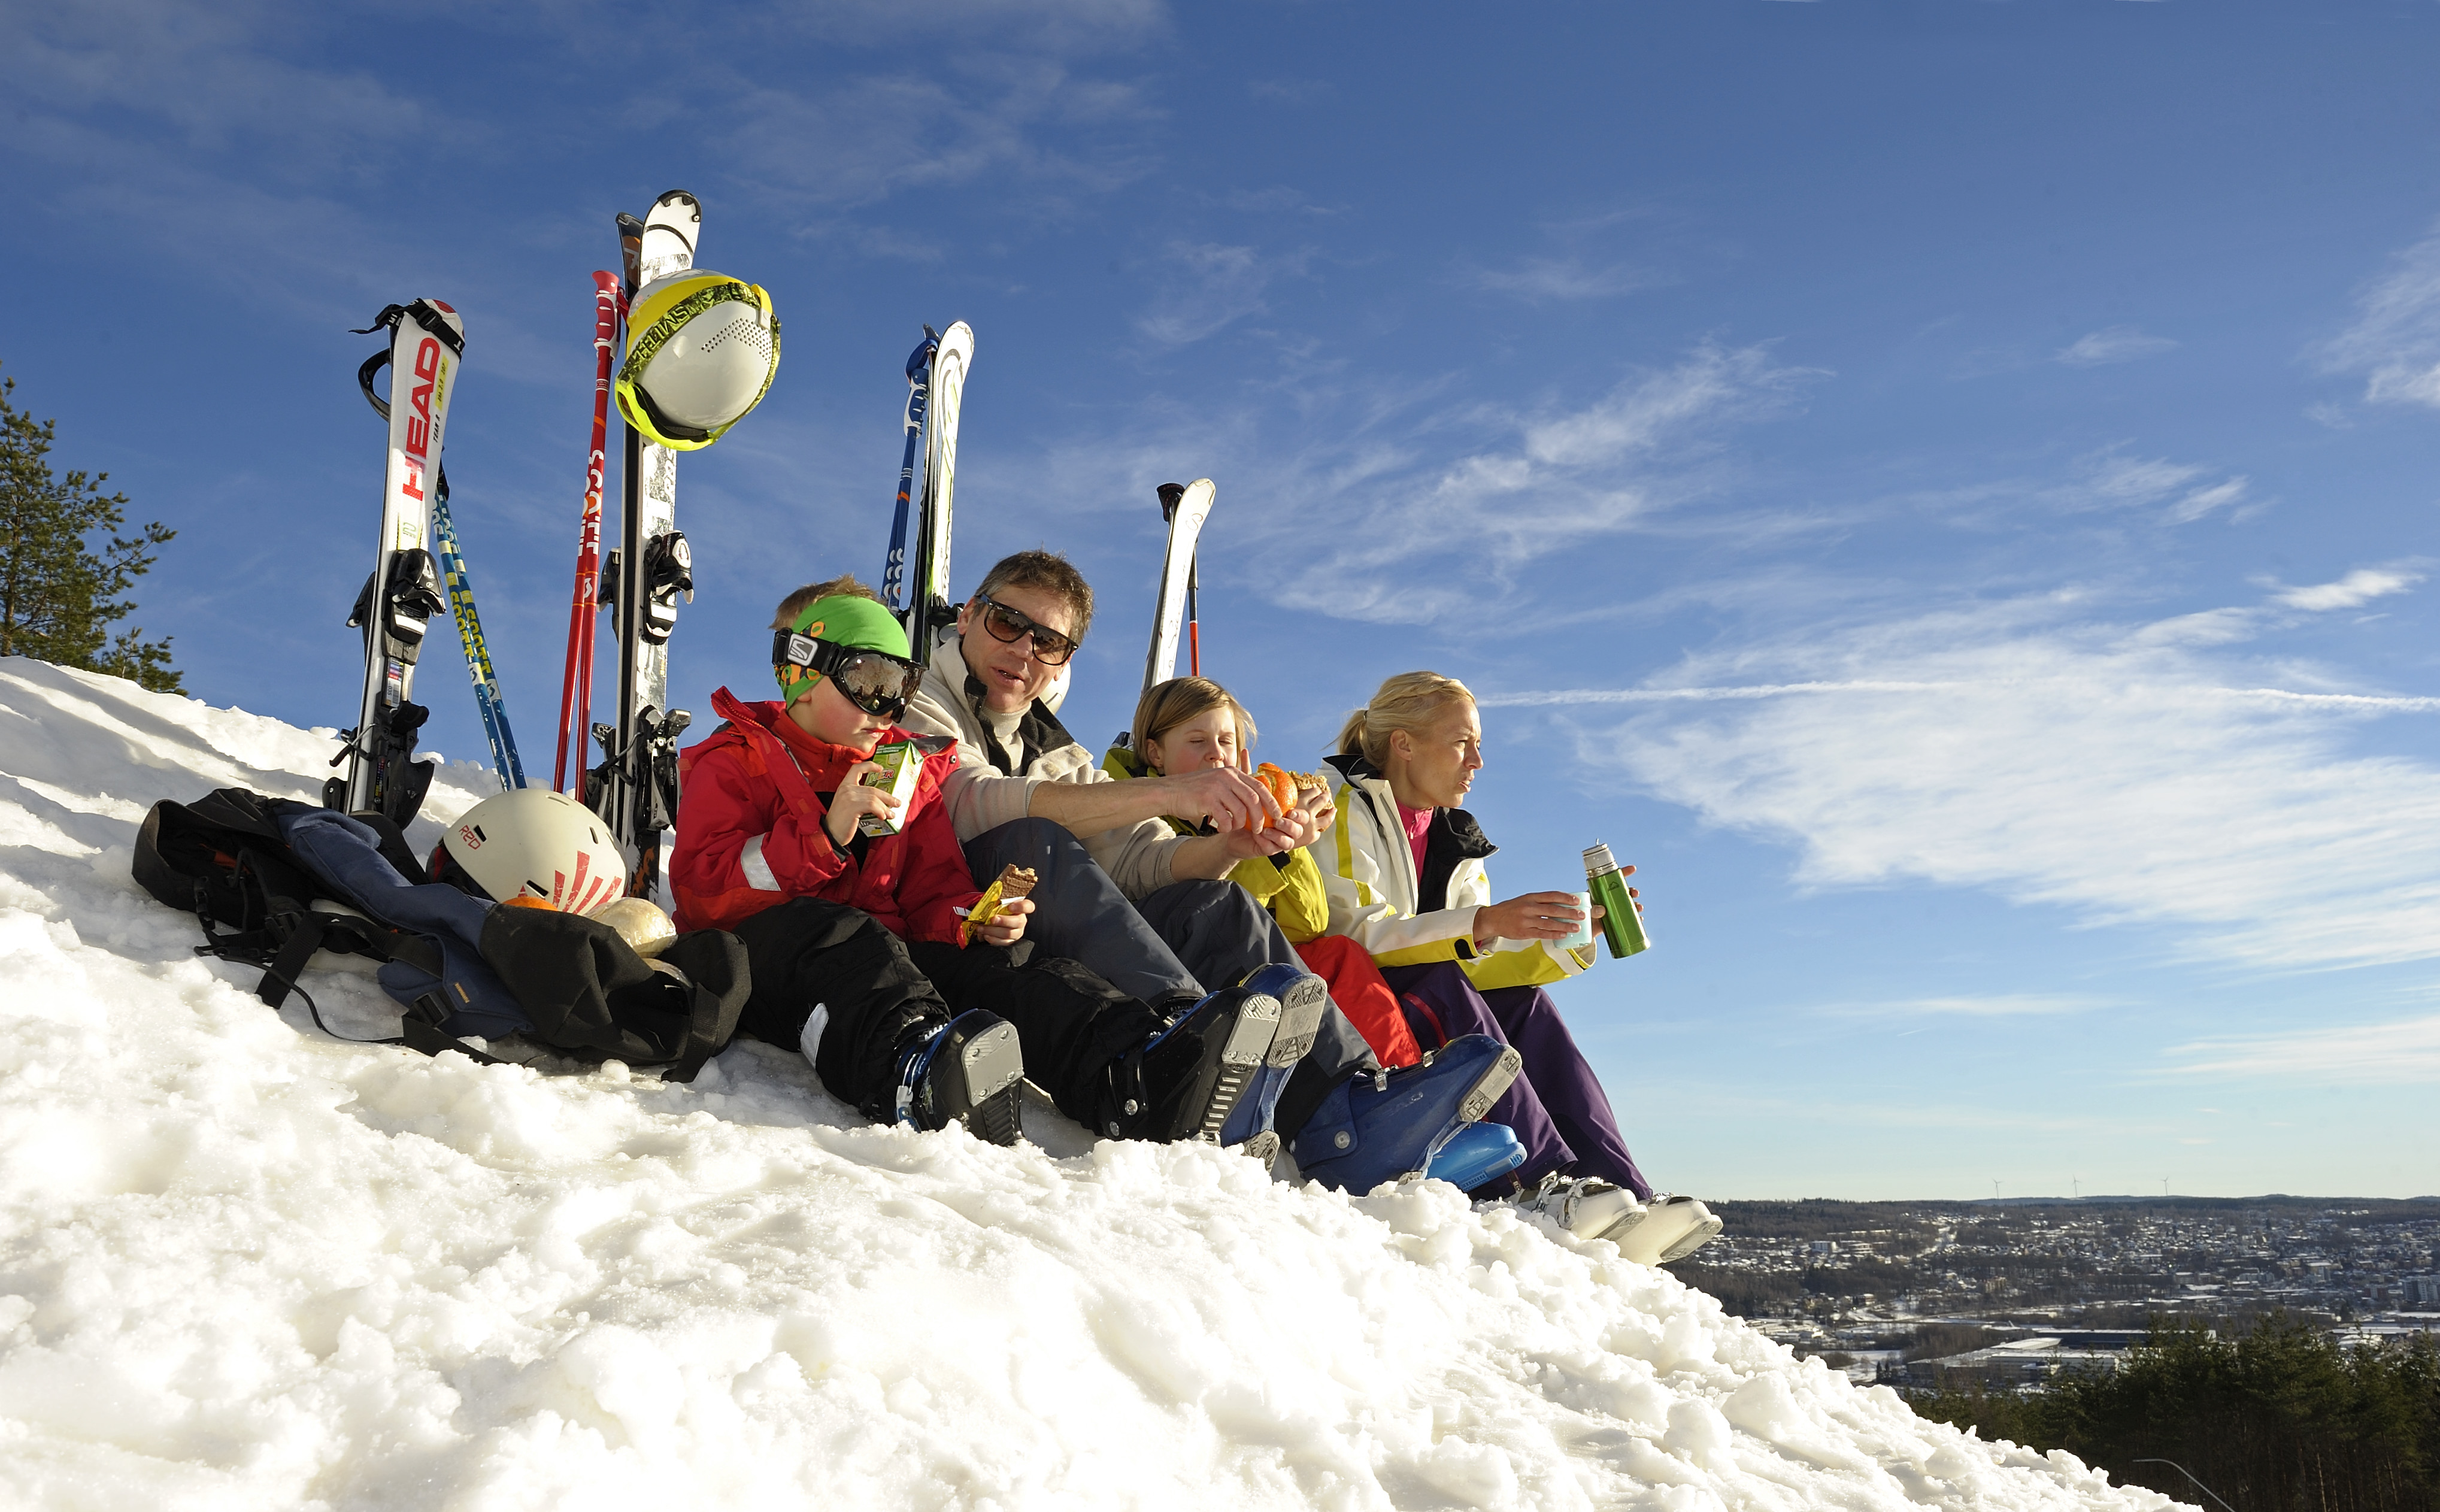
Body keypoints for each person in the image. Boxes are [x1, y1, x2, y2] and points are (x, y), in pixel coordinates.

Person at [896, 551, 1502, 1181]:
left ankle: (1349, 1110)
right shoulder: (917, 697)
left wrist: (1236, 847)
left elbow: (1141, 859)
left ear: (1064, 659)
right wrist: (1167, 792)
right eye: (1007, 623)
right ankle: (1187, 1041)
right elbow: (965, 802)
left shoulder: (1057, 753)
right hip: (947, 929)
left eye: (1048, 641)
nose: (1024, 649)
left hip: (1033, 927)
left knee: (1214, 904)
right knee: (1032, 839)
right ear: (967, 616)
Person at [670, 580, 1284, 1149]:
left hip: (885, 951)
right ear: (804, 674)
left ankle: (1132, 1070)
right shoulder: (737, 759)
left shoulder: (904, 771)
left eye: (901, 687)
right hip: (778, 958)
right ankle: (912, 1069)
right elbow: (704, 885)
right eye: (868, 680)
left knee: (1011, 967)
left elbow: (932, 884)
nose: (886, 706)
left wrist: (972, 918)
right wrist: (823, 837)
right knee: (842, 933)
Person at [1318, 671, 1723, 1265]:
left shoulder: (1457, 837)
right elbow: (1353, 930)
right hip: (1350, 1005)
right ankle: (1540, 1181)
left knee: (1524, 1001)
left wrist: (1568, 935)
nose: (1477, 761)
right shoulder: (1340, 804)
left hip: (1426, 996)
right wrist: (1482, 921)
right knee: (1441, 983)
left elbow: (1478, 960)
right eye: (1461, 743)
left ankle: (1620, 1190)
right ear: (1403, 743)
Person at [1104, 677, 1530, 1192]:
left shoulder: (1241, 809)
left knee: (1335, 954)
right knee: (1259, 922)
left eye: (1226, 742)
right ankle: (1367, 1115)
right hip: (1162, 952)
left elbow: (1308, 920)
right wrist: (1244, 845)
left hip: (1246, 950)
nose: (1217, 755)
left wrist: (1289, 843)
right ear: (1154, 752)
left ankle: (1394, 1096)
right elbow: (1213, 907)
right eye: (1198, 741)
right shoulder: (1127, 802)